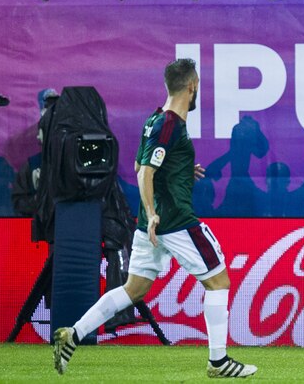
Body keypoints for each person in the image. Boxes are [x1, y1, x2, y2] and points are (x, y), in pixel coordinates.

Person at [52, 59, 257, 378]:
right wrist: (152, 215)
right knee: (219, 282)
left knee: (134, 289)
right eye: (198, 84)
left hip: (153, 224)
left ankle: (73, 334)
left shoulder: (155, 119)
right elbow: (146, 172)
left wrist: (180, 169)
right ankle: (218, 362)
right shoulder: (171, 123)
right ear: (192, 86)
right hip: (173, 219)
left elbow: (141, 165)